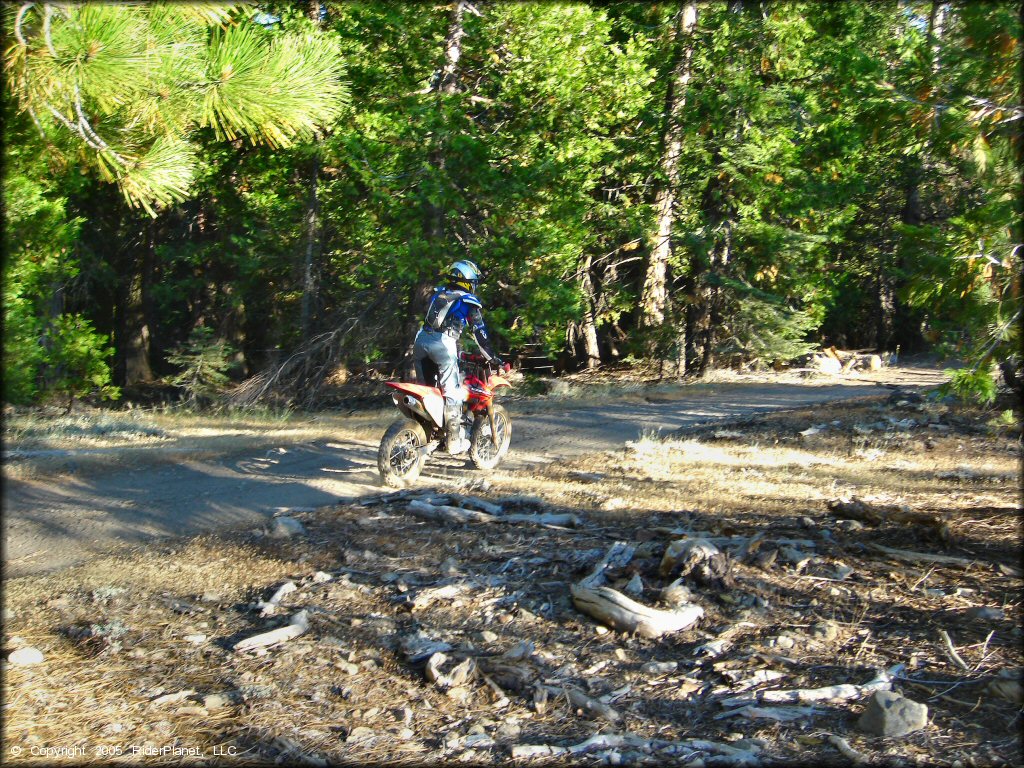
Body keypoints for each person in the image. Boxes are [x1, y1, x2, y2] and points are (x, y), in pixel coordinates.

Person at [413, 260, 502, 454]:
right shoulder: (468, 301)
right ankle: (454, 443)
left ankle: (424, 437)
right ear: (467, 280)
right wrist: (492, 357)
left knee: (428, 390)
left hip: (420, 341)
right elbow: (480, 334)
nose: (474, 285)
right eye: (473, 281)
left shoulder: (439, 293)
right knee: (452, 393)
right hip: (443, 345)